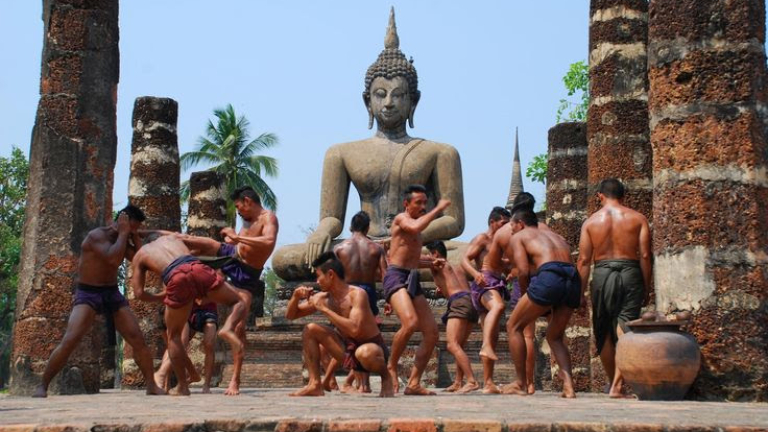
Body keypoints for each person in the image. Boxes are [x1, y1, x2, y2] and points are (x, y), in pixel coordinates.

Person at [272, 8, 464, 281]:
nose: (388, 103)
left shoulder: (440, 152)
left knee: (472, 256)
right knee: (286, 259)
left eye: (398, 95)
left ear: (413, 101)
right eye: (380, 94)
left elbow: (454, 221)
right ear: (367, 101)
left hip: (415, 245)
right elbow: (332, 218)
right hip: (363, 244)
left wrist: (410, 233)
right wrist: (322, 232)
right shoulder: (341, 153)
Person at [33, 206, 164, 398]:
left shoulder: (123, 238)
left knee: (137, 339)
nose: (131, 232)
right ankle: (43, 385)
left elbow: (139, 260)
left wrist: (134, 236)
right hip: (89, 293)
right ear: (122, 221)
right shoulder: (96, 236)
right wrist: (125, 233)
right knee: (70, 339)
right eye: (131, 228)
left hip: (111, 292)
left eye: (134, 229)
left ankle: (151, 385)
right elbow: (112, 259)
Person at [179, 185, 278, 395]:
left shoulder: (269, 218)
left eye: (239, 206)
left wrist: (237, 237)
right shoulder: (247, 220)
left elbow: (269, 241)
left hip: (247, 276)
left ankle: (235, 380)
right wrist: (231, 240)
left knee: (239, 327)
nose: (239, 211)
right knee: (196, 245)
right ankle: (157, 237)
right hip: (231, 258)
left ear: (248, 202)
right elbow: (236, 244)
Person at [130, 233, 247, 396]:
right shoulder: (173, 239)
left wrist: (161, 296)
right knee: (239, 302)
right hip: (198, 268)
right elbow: (201, 243)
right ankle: (227, 328)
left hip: (176, 278)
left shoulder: (141, 254)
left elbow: (139, 293)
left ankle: (183, 386)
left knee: (174, 337)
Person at [577, 178, 651, 398]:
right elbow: (645, 255)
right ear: (623, 196)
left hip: (601, 273)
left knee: (603, 331)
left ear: (600, 196)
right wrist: (646, 286)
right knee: (626, 324)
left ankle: (614, 383)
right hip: (630, 270)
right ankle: (617, 384)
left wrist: (580, 293)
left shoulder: (590, 222)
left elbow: (583, 260)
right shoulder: (638, 219)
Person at [285, 252, 394, 398]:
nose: (317, 281)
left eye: (318, 276)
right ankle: (314, 384)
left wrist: (324, 309)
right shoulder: (323, 298)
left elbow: (355, 330)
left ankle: (386, 377)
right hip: (346, 351)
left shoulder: (357, 294)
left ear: (330, 274)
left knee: (364, 352)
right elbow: (291, 315)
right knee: (310, 329)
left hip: (371, 351)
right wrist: (295, 297)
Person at [505, 208, 581, 398]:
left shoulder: (520, 237)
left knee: (513, 325)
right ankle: (569, 387)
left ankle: (521, 383)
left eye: (512, 228)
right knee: (555, 336)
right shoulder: (556, 236)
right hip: (572, 278)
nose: (511, 232)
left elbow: (522, 271)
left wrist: (526, 296)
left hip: (549, 276)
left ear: (520, 224)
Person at [384, 184, 450, 395]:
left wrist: (431, 262)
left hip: (412, 277)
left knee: (431, 333)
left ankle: (413, 383)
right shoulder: (401, 220)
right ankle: (391, 365)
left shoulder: (418, 227)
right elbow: (414, 228)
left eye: (425, 203)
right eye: (418, 203)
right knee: (410, 323)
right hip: (395, 276)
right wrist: (437, 209)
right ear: (406, 204)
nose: (423, 206)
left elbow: (411, 258)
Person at [332, 210, 388, 393]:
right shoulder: (376, 248)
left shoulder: (339, 248)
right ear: (368, 227)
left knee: (351, 338)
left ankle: (360, 384)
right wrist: (389, 299)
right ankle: (363, 384)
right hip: (368, 292)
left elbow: (333, 276)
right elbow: (386, 275)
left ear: (350, 226)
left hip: (347, 293)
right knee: (367, 336)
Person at [460, 206, 510, 393]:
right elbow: (464, 259)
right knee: (498, 306)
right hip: (484, 282)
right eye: (503, 224)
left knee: (493, 335)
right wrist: (474, 273)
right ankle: (486, 346)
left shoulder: (503, 244)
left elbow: (503, 267)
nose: (506, 228)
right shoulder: (483, 238)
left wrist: (510, 271)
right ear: (492, 222)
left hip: (497, 283)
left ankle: (488, 383)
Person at [427, 241, 479, 394]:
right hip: (470, 302)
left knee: (452, 344)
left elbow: (417, 260)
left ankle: (471, 381)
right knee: (459, 346)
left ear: (435, 253)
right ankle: (458, 382)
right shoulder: (455, 268)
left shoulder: (438, 263)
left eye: (430, 254)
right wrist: (442, 289)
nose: (429, 257)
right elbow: (454, 285)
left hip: (459, 302)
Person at [154, 300, 218, 393]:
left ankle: (206, 385)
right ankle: (166, 383)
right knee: (174, 345)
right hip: (186, 310)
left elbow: (202, 299)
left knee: (209, 344)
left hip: (208, 310)